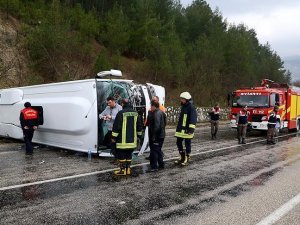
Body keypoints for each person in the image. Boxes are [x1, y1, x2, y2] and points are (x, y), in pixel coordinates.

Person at [112, 99, 142, 176]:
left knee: (121, 155)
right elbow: (139, 126)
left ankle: (122, 170)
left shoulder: (121, 113)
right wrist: (139, 136)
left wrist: (113, 137)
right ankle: (128, 169)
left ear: (122, 104)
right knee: (129, 155)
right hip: (132, 141)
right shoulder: (136, 113)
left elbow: (116, 126)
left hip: (122, 141)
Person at [174, 92, 197, 166]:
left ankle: (187, 158)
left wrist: (191, 129)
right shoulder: (183, 107)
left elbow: (193, 119)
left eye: (182, 99)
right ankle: (182, 157)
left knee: (187, 144)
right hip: (181, 130)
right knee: (178, 142)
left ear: (186, 99)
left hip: (187, 130)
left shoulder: (191, 107)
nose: (181, 100)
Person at [144, 95, 166, 160]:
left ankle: (159, 158)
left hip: (157, 131)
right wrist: (145, 124)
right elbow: (149, 118)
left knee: (156, 147)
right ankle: (152, 156)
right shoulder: (151, 109)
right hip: (151, 129)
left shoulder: (160, 108)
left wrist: (158, 131)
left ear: (157, 100)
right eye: (152, 100)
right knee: (152, 145)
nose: (153, 100)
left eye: (154, 100)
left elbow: (162, 121)